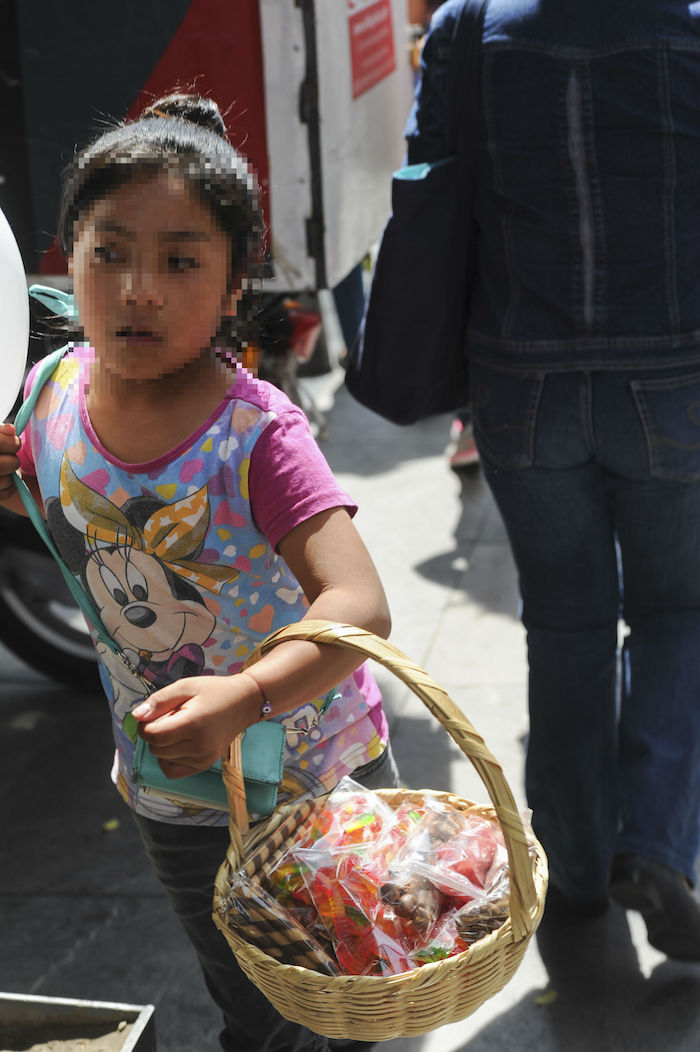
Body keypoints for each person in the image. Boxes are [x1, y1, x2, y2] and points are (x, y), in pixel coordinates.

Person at [0, 92, 397, 1051]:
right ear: (64, 257)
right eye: (110, 252)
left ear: (232, 288)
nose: (139, 287)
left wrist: (247, 696)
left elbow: (361, 604)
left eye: (180, 261)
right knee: (251, 1008)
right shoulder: (52, 396)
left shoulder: (256, 436)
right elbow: (86, 522)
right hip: (172, 792)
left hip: (315, 777)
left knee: (347, 1007)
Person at [409, 1, 700, 959]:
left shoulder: (466, 26)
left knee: (567, 620)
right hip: (676, 376)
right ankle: (654, 838)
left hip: (520, 378)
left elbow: (431, 180)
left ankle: (573, 866)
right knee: (678, 612)